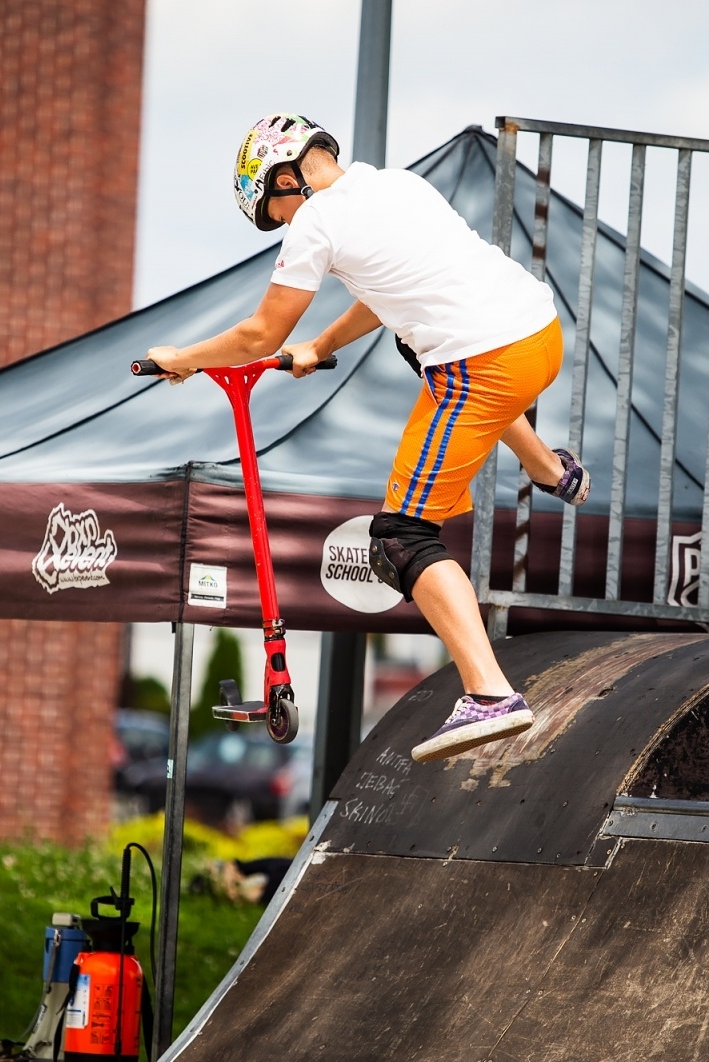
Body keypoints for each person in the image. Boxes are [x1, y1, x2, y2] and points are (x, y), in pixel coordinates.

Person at [143, 113, 589, 763]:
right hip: (537, 337)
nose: (285, 224)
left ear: (288, 175)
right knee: (421, 351)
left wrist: (184, 357)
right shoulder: (393, 185)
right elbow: (386, 295)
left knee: (399, 539)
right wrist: (321, 345)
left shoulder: (316, 223)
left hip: (483, 366)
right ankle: (551, 468)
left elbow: (258, 335)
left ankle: (491, 694)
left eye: (276, 210)